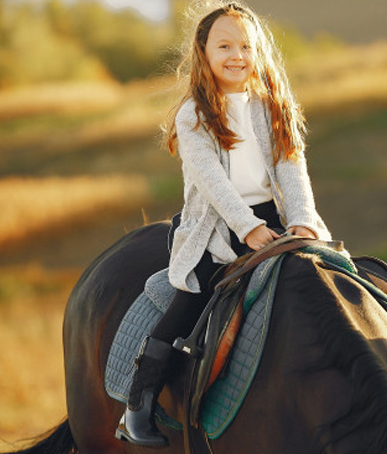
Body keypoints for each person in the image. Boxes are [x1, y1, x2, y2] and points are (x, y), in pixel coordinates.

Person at [115, 1, 331, 447]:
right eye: (225, 45)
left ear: (258, 52)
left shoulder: (271, 106)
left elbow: (291, 167)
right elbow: (211, 180)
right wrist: (247, 227)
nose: (237, 55)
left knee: (335, 279)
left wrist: (305, 220)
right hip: (218, 225)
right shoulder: (193, 114)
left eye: (246, 46)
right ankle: (139, 402)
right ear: (204, 51)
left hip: (277, 221)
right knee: (190, 301)